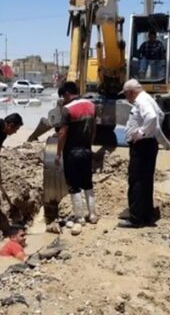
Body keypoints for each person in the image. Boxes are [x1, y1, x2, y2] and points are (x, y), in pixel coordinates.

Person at [118, 79, 170, 228]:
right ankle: (147, 214)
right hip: (148, 144)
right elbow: (160, 115)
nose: (126, 97)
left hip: (142, 146)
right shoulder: (148, 99)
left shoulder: (142, 101)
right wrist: (153, 132)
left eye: (126, 94)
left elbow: (153, 117)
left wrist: (141, 132)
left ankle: (136, 218)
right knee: (146, 181)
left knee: (136, 181)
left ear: (131, 92)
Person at [55, 81, 98, 235]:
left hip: (72, 152)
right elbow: (93, 129)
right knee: (88, 183)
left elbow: (62, 134)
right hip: (86, 150)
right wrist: (90, 145)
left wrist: (58, 153)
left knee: (73, 185)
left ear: (67, 94)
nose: (63, 100)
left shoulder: (67, 110)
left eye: (63, 97)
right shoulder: (91, 105)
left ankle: (79, 217)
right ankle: (92, 215)